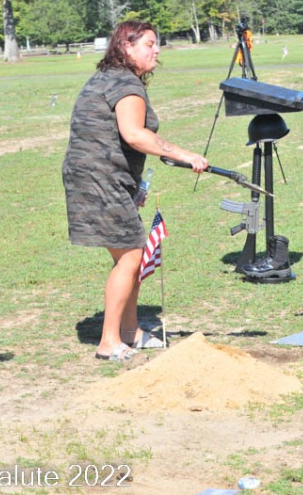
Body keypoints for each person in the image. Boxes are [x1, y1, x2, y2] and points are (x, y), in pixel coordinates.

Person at [62, 21, 208, 363]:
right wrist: (185, 155)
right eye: (149, 44)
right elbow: (134, 135)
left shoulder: (109, 77)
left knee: (131, 254)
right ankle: (109, 341)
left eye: (157, 44)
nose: (156, 50)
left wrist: (135, 184)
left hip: (100, 176)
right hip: (100, 179)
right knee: (131, 255)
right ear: (126, 47)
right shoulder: (125, 84)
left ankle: (130, 331)